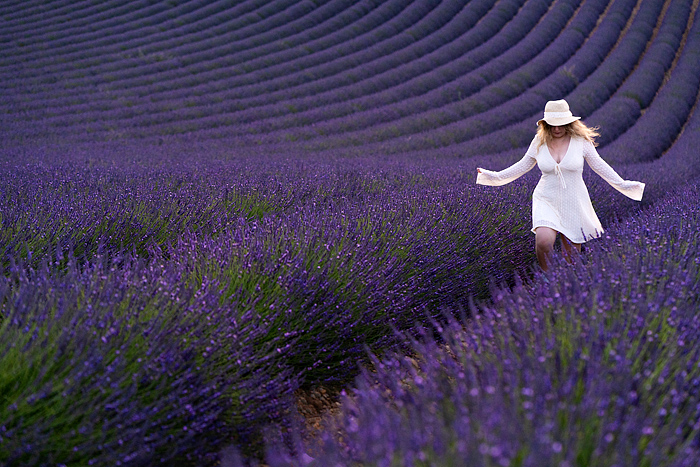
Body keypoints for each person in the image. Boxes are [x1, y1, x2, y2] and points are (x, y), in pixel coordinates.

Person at [476, 99, 645, 271]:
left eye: (561, 124)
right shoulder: (538, 141)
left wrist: (625, 185)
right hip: (546, 198)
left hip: (574, 201)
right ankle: (548, 280)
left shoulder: (581, 142)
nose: (557, 129)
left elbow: (600, 166)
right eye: (552, 124)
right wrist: (492, 176)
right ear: (546, 124)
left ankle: (566, 289)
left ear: (569, 123)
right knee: (543, 241)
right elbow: (521, 166)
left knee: (572, 260)